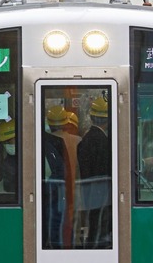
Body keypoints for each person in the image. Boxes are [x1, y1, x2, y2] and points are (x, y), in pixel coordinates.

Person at [77, 95, 111, 247]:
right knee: (100, 230)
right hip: (102, 195)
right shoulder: (102, 142)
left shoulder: (87, 139)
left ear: (91, 117)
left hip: (91, 194)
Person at [46, 105, 81, 247]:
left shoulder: (43, 143)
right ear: (66, 122)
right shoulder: (78, 141)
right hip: (75, 192)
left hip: (56, 194)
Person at [0, 119, 17, 192]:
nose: (7, 144)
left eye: (9, 140)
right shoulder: (8, 162)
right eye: (4, 142)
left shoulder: (37, 154)